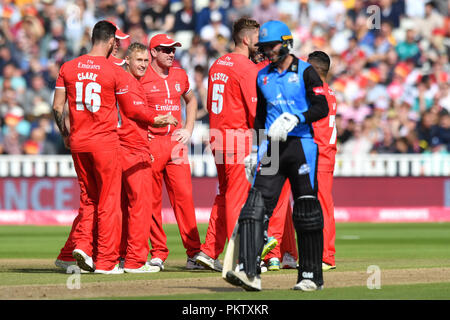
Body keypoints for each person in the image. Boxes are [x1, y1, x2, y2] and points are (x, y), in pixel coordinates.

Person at [224, 20, 329, 292]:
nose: (268, 52)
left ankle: (310, 274)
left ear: (287, 42)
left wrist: (297, 118)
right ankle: (249, 271)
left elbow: (322, 107)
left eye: (273, 46)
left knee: (306, 211)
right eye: (264, 47)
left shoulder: (306, 72)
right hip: (272, 148)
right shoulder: (263, 77)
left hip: (301, 146)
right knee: (254, 207)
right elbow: (260, 120)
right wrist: (254, 151)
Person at [52, 21, 131, 274]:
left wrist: (65, 133)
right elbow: (129, 110)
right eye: (116, 42)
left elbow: (56, 107)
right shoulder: (114, 70)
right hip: (105, 142)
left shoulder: (68, 67)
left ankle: (83, 246)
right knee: (109, 200)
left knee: (88, 198)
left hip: (78, 142)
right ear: (110, 42)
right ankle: (107, 262)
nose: (116, 45)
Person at [194, 17, 260, 271]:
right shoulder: (246, 68)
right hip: (237, 138)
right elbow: (256, 112)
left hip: (217, 136)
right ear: (245, 39)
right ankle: (239, 258)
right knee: (236, 197)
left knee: (224, 195)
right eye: (257, 37)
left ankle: (209, 251)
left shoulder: (217, 64)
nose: (260, 42)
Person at [272, 51, 339, 271]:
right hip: (313, 153)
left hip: (318, 154)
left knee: (320, 205)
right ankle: (289, 252)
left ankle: (325, 256)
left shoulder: (316, 94)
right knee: (294, 202)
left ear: (315, 70)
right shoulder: (327, 92)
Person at [140, 33, 202, 271]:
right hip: (152, 142)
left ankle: (194, 253)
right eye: (165, 49)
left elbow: (192, 100)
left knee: (184, 197)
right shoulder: (141, 76)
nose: (170, 53)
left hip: (175, 144)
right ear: (152, 52)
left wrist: (188, 128)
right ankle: (158, 253)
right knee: (153, 201)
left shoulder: (180, 74)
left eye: (173, 49)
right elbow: (127, 105)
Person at [117, 42, 178, 273]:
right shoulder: (128, 83)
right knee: (140, 205)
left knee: (121, 206)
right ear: (128, 61)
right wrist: (159, 118)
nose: (143, 65)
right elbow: (136, 112)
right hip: (133, 148)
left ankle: (117, 255)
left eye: (145, 61)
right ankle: (134, 260)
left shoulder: (121, 81)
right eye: (138, 60)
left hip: (123, 147)